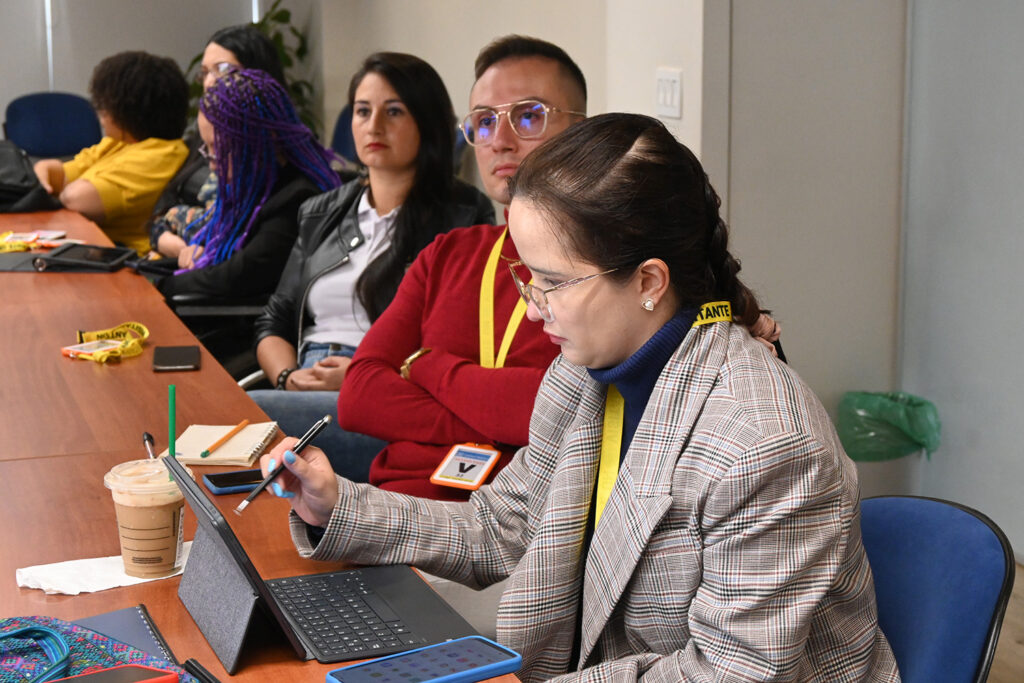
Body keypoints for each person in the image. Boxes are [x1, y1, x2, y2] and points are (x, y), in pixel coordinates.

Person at [262, 113, 900, 682]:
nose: (534, 308)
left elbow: (731, 671)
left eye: (553, 283)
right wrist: (338, 503)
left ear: (649, 281)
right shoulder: (586, 373)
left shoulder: (763, 442)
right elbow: (502, 528)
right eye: (527, 276)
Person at [330, 35, 588, 499]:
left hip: (514, 530)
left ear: (581, 131)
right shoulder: (448, 253)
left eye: (528, 116)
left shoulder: (602, 267)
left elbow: (557, 410)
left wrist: (427, 367)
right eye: (485, 122)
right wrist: (493, 416)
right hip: (387, 509)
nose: (501, 141)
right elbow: (358, 396)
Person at [249, 52, 494, 479]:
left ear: (428, 122)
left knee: (237, 421)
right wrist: (288, 376)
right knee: (228, 420)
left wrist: (363, 375)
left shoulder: (464, 214)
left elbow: (455, 344)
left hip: (384, 395)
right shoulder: (320, 212)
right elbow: (277, 318)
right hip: (303, 385)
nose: (373, 125)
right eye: (363, 111)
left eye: (393, 111)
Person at [155, 68, 340, 299]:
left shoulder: (298, 199)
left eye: (219, 149)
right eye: (207, 148)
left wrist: (159, 287)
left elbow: (237, 277)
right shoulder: (248, 187)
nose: (212, 164)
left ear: (259, 140)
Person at [147, 24, 288, 260]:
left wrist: (180, 238)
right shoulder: (203, 136)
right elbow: (159, 215)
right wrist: (171, 243)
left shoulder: (271, 155)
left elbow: (228, 242)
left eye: (223, 69)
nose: (209, 82)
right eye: (205, 72)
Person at [33, 51, 189, 255]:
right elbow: (52, 173)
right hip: (95, 249)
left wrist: (59, 187)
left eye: (106, 106)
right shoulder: (117, 143)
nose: (101, 114)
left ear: (129, 109)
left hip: (127, 263)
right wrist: (48, 174)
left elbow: (76, 199)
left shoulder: (164, 153)